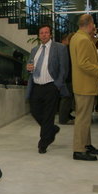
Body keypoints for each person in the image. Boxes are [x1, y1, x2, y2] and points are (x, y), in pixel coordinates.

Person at [70, 14, 98, 161]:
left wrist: (95, 38)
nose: (94, 26)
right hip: (85, 85)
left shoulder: (78, 37)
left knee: (85, 117)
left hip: (82, 84)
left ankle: (86, 144)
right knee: (82, 118)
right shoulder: (82, 39)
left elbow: (87, 50)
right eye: (93, 24)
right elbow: (83, 63)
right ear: (89, 24)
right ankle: (78, 150)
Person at [26, 25, 69, 153]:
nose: (44, 35)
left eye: (46, 32)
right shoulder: (34, 50)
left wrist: (58, 85)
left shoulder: (59, 48)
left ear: (50, 34)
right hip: (36, 85)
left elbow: (64, 68)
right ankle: (52, 129)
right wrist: (28, 68)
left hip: (51, 85)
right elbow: (30, 65)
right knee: (35, 111)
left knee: (48, 115)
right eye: (41, 33)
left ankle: (43, 143)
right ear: (39, 35)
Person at [58, 32, 75, 125]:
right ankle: (63, 119)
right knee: (66, 98)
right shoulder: (67, 49)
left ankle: (66, 116)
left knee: (68, 98)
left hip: (67, 77)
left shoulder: (67, 49)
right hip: (67, 78)